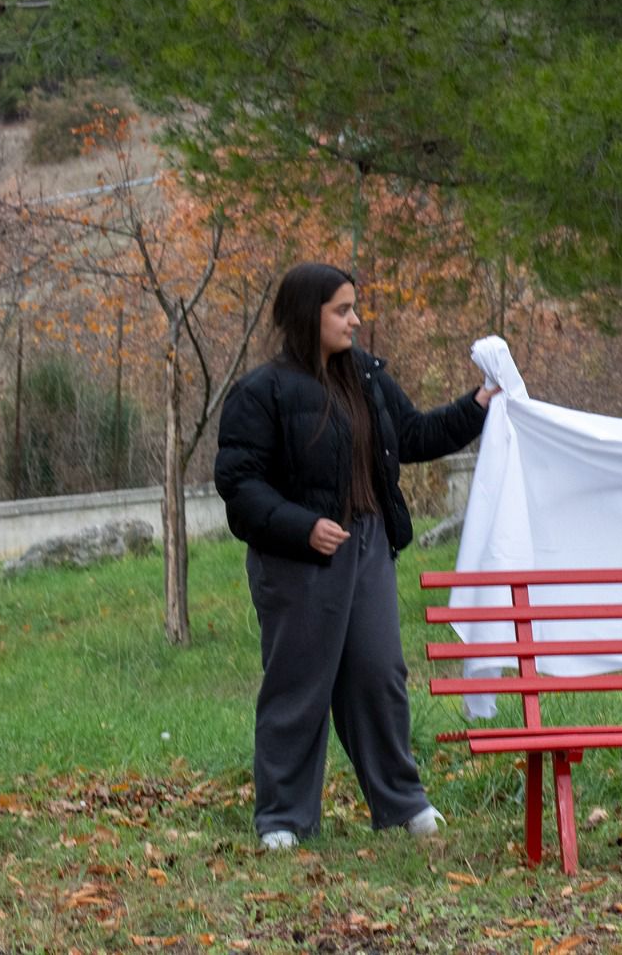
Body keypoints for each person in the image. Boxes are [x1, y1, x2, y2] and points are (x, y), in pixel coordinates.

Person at [214, 262, 496, 849]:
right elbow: (239, 484)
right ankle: (283, 819)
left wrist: (478, 404)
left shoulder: (366, 377)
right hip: (298, 558)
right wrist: (302, 527)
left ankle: (402, 804)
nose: (355, 320)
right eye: (342, 310)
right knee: (299, 684)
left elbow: (413, 435)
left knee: (379, 674)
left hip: (368, 545)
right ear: (307, 315)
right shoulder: (260, 391)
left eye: (354, 308)